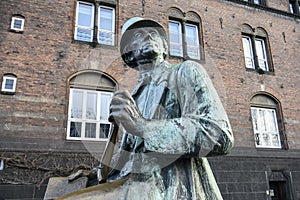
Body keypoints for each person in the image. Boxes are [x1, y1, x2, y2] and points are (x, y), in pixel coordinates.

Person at [64, 17, 234, 200]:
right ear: (129, 53)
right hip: (131, 186)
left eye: (154, 34)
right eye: (139, 34)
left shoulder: (185, 72)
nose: (148, 37)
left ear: (165, 47)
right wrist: (97, 174)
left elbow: (220, 135)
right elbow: (132, 155)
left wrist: (142, 126)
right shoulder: (133, 97)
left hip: (171, 189)